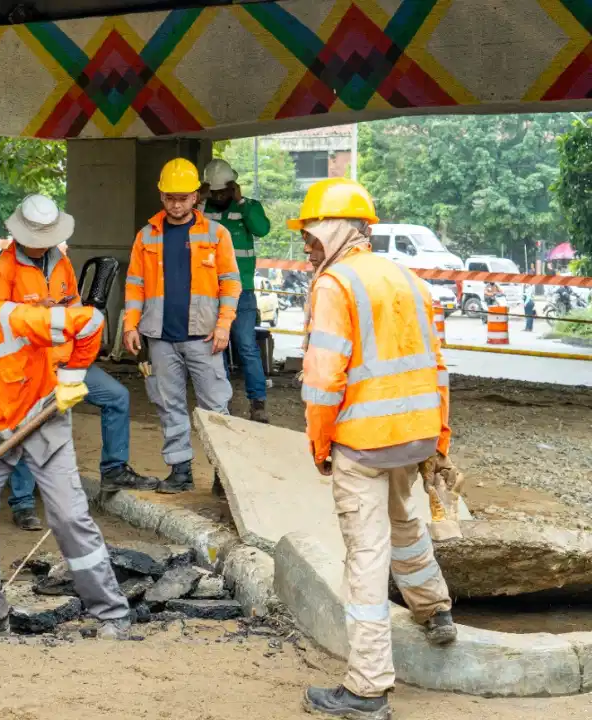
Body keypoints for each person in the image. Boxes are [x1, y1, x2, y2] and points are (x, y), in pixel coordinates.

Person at [294, 178, 457, 719]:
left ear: (341, 229)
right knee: (405, 521)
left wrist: (320, 445)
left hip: (362, 442)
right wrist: (439, 439)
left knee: (366, 557)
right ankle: (434, 611)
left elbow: (322, 380)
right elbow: (438, 366)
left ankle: (366, 689)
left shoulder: (335, 285)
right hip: (411, 436)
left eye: (313, 234)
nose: (308, 246)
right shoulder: (409, 280)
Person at [0, 274, 132, 639]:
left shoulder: (16, 319)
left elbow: (91, 322)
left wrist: (72, 377)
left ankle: (111, 613)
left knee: (67, 516)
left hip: (43, 414)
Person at [0, 194, 158, 532]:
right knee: (26, 428)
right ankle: (22, 502)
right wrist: (38, 314)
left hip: (67, 362)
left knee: (117, 397)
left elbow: (76, 309)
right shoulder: (3, 270)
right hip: (27, 367)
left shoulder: (59, 262)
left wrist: (70, 324)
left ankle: (113, 469)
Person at [123, 158, 240, 495]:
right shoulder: (146, 236)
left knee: (216, 407)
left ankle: (224, 475)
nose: (176, 204)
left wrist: (223, 326)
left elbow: (230, 283)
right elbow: (135, 285)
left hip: (204, 336)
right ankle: (180, 471)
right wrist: (131, 325)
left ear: (195, 198)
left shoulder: (217, 234)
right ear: (161, 197)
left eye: (183, 198)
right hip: (160, 337)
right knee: (167, 403)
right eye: (170, 198)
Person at [201, 159, 271, 423]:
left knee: (245, 346)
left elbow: (262, 229)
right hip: (209, 291)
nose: (219, 197)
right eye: (214, 192)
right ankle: (222, 401)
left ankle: (258, 402)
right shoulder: (200, 210)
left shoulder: (248, 207)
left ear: (232, 188)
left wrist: (241, 202)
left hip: (242, 291)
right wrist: (199, 200)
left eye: (224, 191)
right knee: (216, 347)